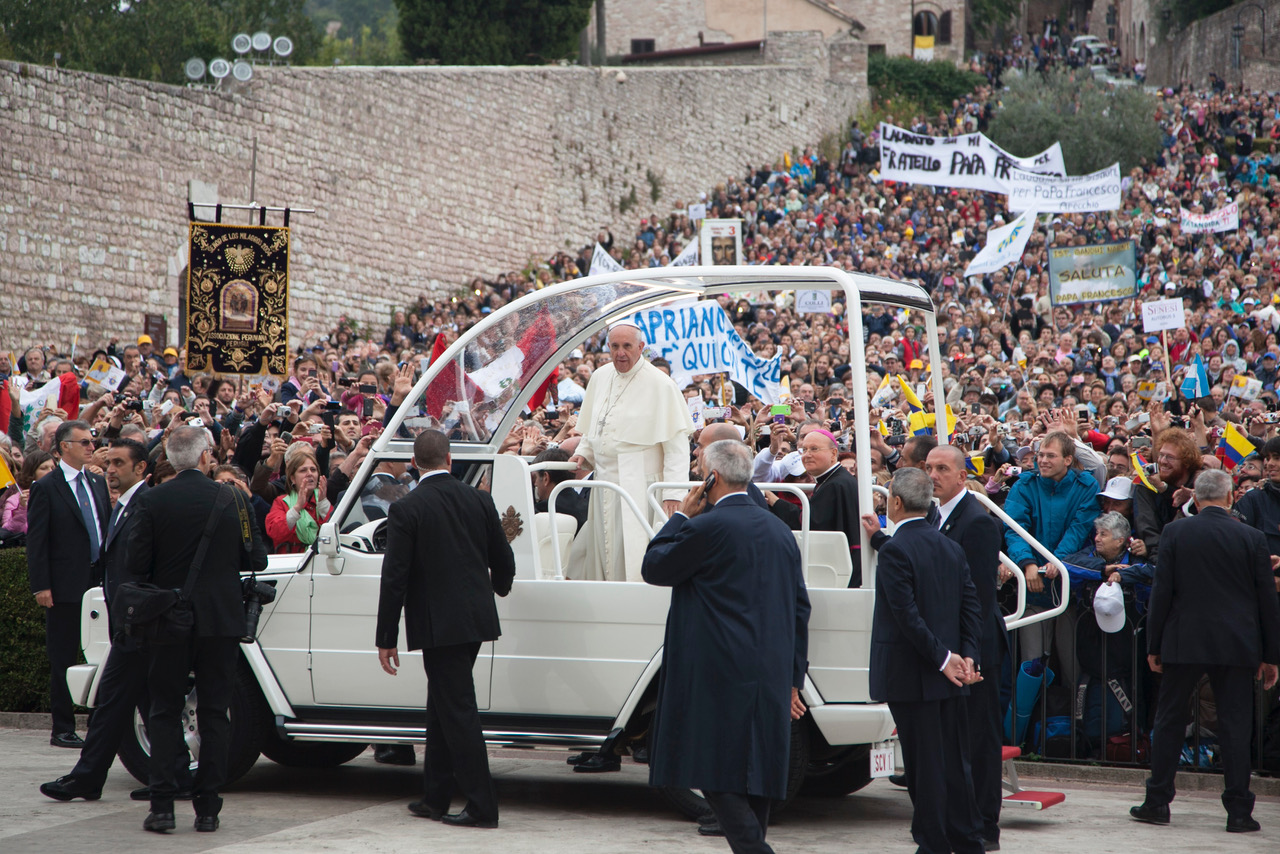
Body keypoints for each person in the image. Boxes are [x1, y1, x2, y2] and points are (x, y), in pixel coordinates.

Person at [642, 440, 809, 854]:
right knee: (760, 769)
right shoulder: (780, 530)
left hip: (717, 667)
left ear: (710, 478)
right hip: (768, 666)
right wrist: (793, 678)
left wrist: (679, 515)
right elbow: (800, 608)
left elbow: (654, 567)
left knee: (712, 770)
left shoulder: (704, 527)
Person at [124, 426, 268, 833]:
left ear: (170, 458)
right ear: (206, 456)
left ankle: (163, 805)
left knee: (165, 709)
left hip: (169, 618)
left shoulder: (151, 500)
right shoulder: (233, 498)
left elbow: (136, 565)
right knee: (214, 712)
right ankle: (208, 808)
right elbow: (255, 556)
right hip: (220, 620)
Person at [375, 429, 515, 829]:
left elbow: (395, 578)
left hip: (440, 625)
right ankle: (434, 797)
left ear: (415, 465)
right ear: (450, 460)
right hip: (474, 619)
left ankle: (482, 806)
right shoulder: (479, 498)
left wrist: (386, 637)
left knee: (456, 711)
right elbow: (502, 558)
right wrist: (498, 591)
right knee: (442, 703)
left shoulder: (407, 508)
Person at [1131, 469, 1280, 833]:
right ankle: (1239, 811)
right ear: (1231, 498)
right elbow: (1266, 601)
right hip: (1237, 643)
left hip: (1184, 640)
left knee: (1168, 720)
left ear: (1195, 500)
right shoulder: (1253, 538)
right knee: (1234, 724)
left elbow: (1162, 591)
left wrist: (1154, 645)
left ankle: (1157, 801)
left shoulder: (1176, 532)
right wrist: (1271, 655)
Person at [39, 438, 175, 802]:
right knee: (134, 704)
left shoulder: (145, 503)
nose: (109, 469)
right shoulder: (125, 504)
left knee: (116, 702)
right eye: (109, 462)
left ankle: (90, 777)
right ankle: (168, 776)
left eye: (118, 463)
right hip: (129, 625)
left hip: (139, 625)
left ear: (141, 468)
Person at [865, 467, 984, 854]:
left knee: (925, 767)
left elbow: (906, 616)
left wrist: (946, 658)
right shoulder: (950, 546)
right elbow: (971, 606)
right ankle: (964, 839)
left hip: (918, 674)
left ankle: (933, 843)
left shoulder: (898, 550)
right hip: (951, 674)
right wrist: (968, 656)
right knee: (953, 762)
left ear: (896, 503)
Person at [569, 322, 694, 581]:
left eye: (627, 346)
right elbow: (596, 425)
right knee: (603, 553)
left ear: (641, 348)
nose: (620, 353)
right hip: (603, 482)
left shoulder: (661, 384)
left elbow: (676, 446)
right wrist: (584, 452)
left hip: (640, 483)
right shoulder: (600, 376)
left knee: (633, 557)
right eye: (614, 346)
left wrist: (673, 492)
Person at [25, 419, 109, 749]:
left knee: (104, 653)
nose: (92, 446)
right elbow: (37, 541)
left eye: (92, 441)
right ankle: (62, 727)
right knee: (63, 656)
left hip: (98, 580)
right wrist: (41, 585)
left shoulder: (96, 482)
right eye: (85, 442)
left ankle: (101, 723)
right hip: (63, 583)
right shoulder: (48, 487)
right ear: (64, 448)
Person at [1002, 430, 1100, 664]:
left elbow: (1079, 529)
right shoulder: (1025, 484)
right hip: (1032, 586)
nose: (1043, 460)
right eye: (1040, 455)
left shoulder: (1086, 486)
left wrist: (1057, 561)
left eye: (1051, 456)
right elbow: (1015, 528)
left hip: (1068, 585)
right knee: (1032, 662)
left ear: (1067, 459)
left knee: (1072, 663)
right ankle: (1030, 702)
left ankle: (1074, 701)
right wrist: (1028, 564)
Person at [767, 427, 864, 586]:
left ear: (833, 454)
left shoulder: (836, 484)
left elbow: (810, 522)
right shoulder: (832, 480)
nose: (807, 455)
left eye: (814, 449)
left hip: (842, 570)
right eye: (804, 449)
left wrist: (776, 503)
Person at [264, 447, 333, 553]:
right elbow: (275, 532)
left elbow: (339, 531)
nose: (309, 473)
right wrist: (297, 508)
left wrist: (323, 504)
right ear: (292, 478)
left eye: (313, 470)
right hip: (292, 562)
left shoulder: (323, 500)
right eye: (303, 470)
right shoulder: (281, 502)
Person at [531, 446, 588, 533]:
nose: (535, 483)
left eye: (535, 478)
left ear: (546, 478)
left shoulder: (544, 510)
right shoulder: (586, 505)